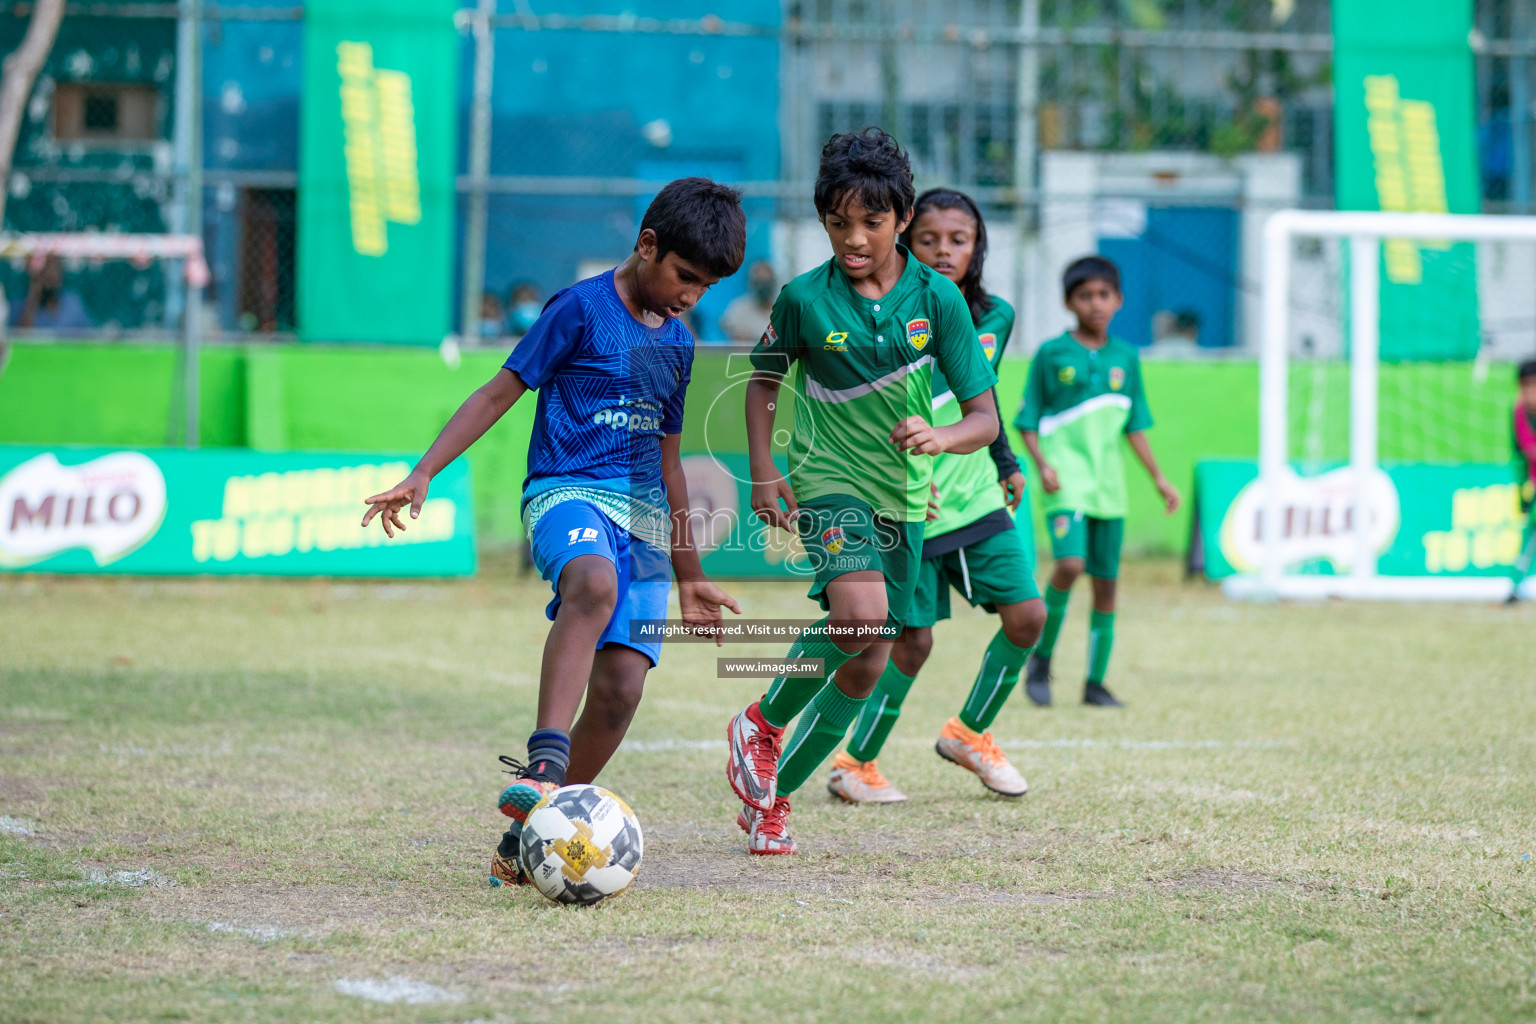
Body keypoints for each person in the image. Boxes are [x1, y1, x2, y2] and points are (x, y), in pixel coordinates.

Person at [360, 177, 748, 887]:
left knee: (622, 688)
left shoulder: (681, 345)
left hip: (646, 524)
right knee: (592, 583)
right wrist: (424, 474)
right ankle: (544, 765)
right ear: (648, 245)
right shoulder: (579, 309)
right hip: (566, 493)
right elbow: (498, 391)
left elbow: (670, 463)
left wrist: (691, 573)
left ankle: (528, 832)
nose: (693, 294)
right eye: (685, 276)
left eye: (707, 285)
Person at [723, 129, 1000, 854]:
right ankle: (761, 721)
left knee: (871, 655)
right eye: (837, 223)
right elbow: (761, 385)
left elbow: (983, 418)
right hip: (827, 479)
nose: (853, 238)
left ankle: (772, 800)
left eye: (871, 223)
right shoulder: (804, 301)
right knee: (860, 615)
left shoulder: (938, 300)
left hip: (904, 498)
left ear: (901, 219)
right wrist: (764, 470)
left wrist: (940, 439)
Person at [827, 187, 1045, 803]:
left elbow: (985, 392)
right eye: (929, 240)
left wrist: (1004, 458)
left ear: (978, 246)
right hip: (908, 498)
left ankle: (970, 732)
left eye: (959, 240)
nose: (945, 251)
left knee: (1028, 616)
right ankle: (853, 763)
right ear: (904, 240)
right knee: (909, 642)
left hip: (976, 497)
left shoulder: (996, 315)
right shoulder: (885, 310)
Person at [1017, 256, 1180, 708]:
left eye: (1104, 295)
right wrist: (1041, 464)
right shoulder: (1052, 353)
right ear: (1069, 302)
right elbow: (1027, 419)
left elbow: (1135, 425)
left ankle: (1095, 683)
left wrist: (1159, 480)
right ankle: (1041, 660)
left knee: (1106, 583)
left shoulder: (1126, 358)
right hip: (1065, 482)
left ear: (1119, 300)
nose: (1096, 303)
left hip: (1109, 488)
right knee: (1070, 565)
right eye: (1085, 295)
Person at [1507, 359, 1536, 603]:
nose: (1531, 394)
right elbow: (1519, 458)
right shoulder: (1518, 414)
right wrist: (1521, 494)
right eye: (1525, 388)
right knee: (1531, 531)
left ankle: (1515, 586)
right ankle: (1515, 586)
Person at [14, 255, 92, 331]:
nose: (51, 275)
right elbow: (21, 336)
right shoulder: (21, 305)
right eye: (46, 271)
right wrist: (34, 296)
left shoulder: (73, 303)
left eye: (54, 268)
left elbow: (88, 336)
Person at [720, 259, 777, 342]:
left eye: (767, 282)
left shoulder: (784, 310)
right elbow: (729, 329)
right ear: (752, 284)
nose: (764, 287)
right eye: (759, 282)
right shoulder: (739, 308)